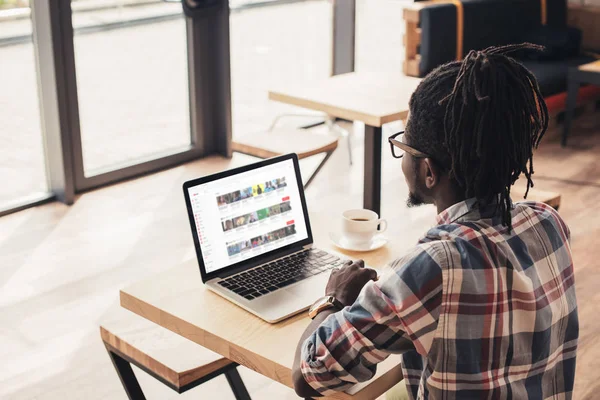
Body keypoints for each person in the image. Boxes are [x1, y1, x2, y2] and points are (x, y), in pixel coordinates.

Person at [292, 44, 577, 400]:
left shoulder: (432, 268)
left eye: (404, 147)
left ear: (428, 171)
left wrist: (333, 299)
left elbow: (310, 377)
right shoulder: (547, 222)